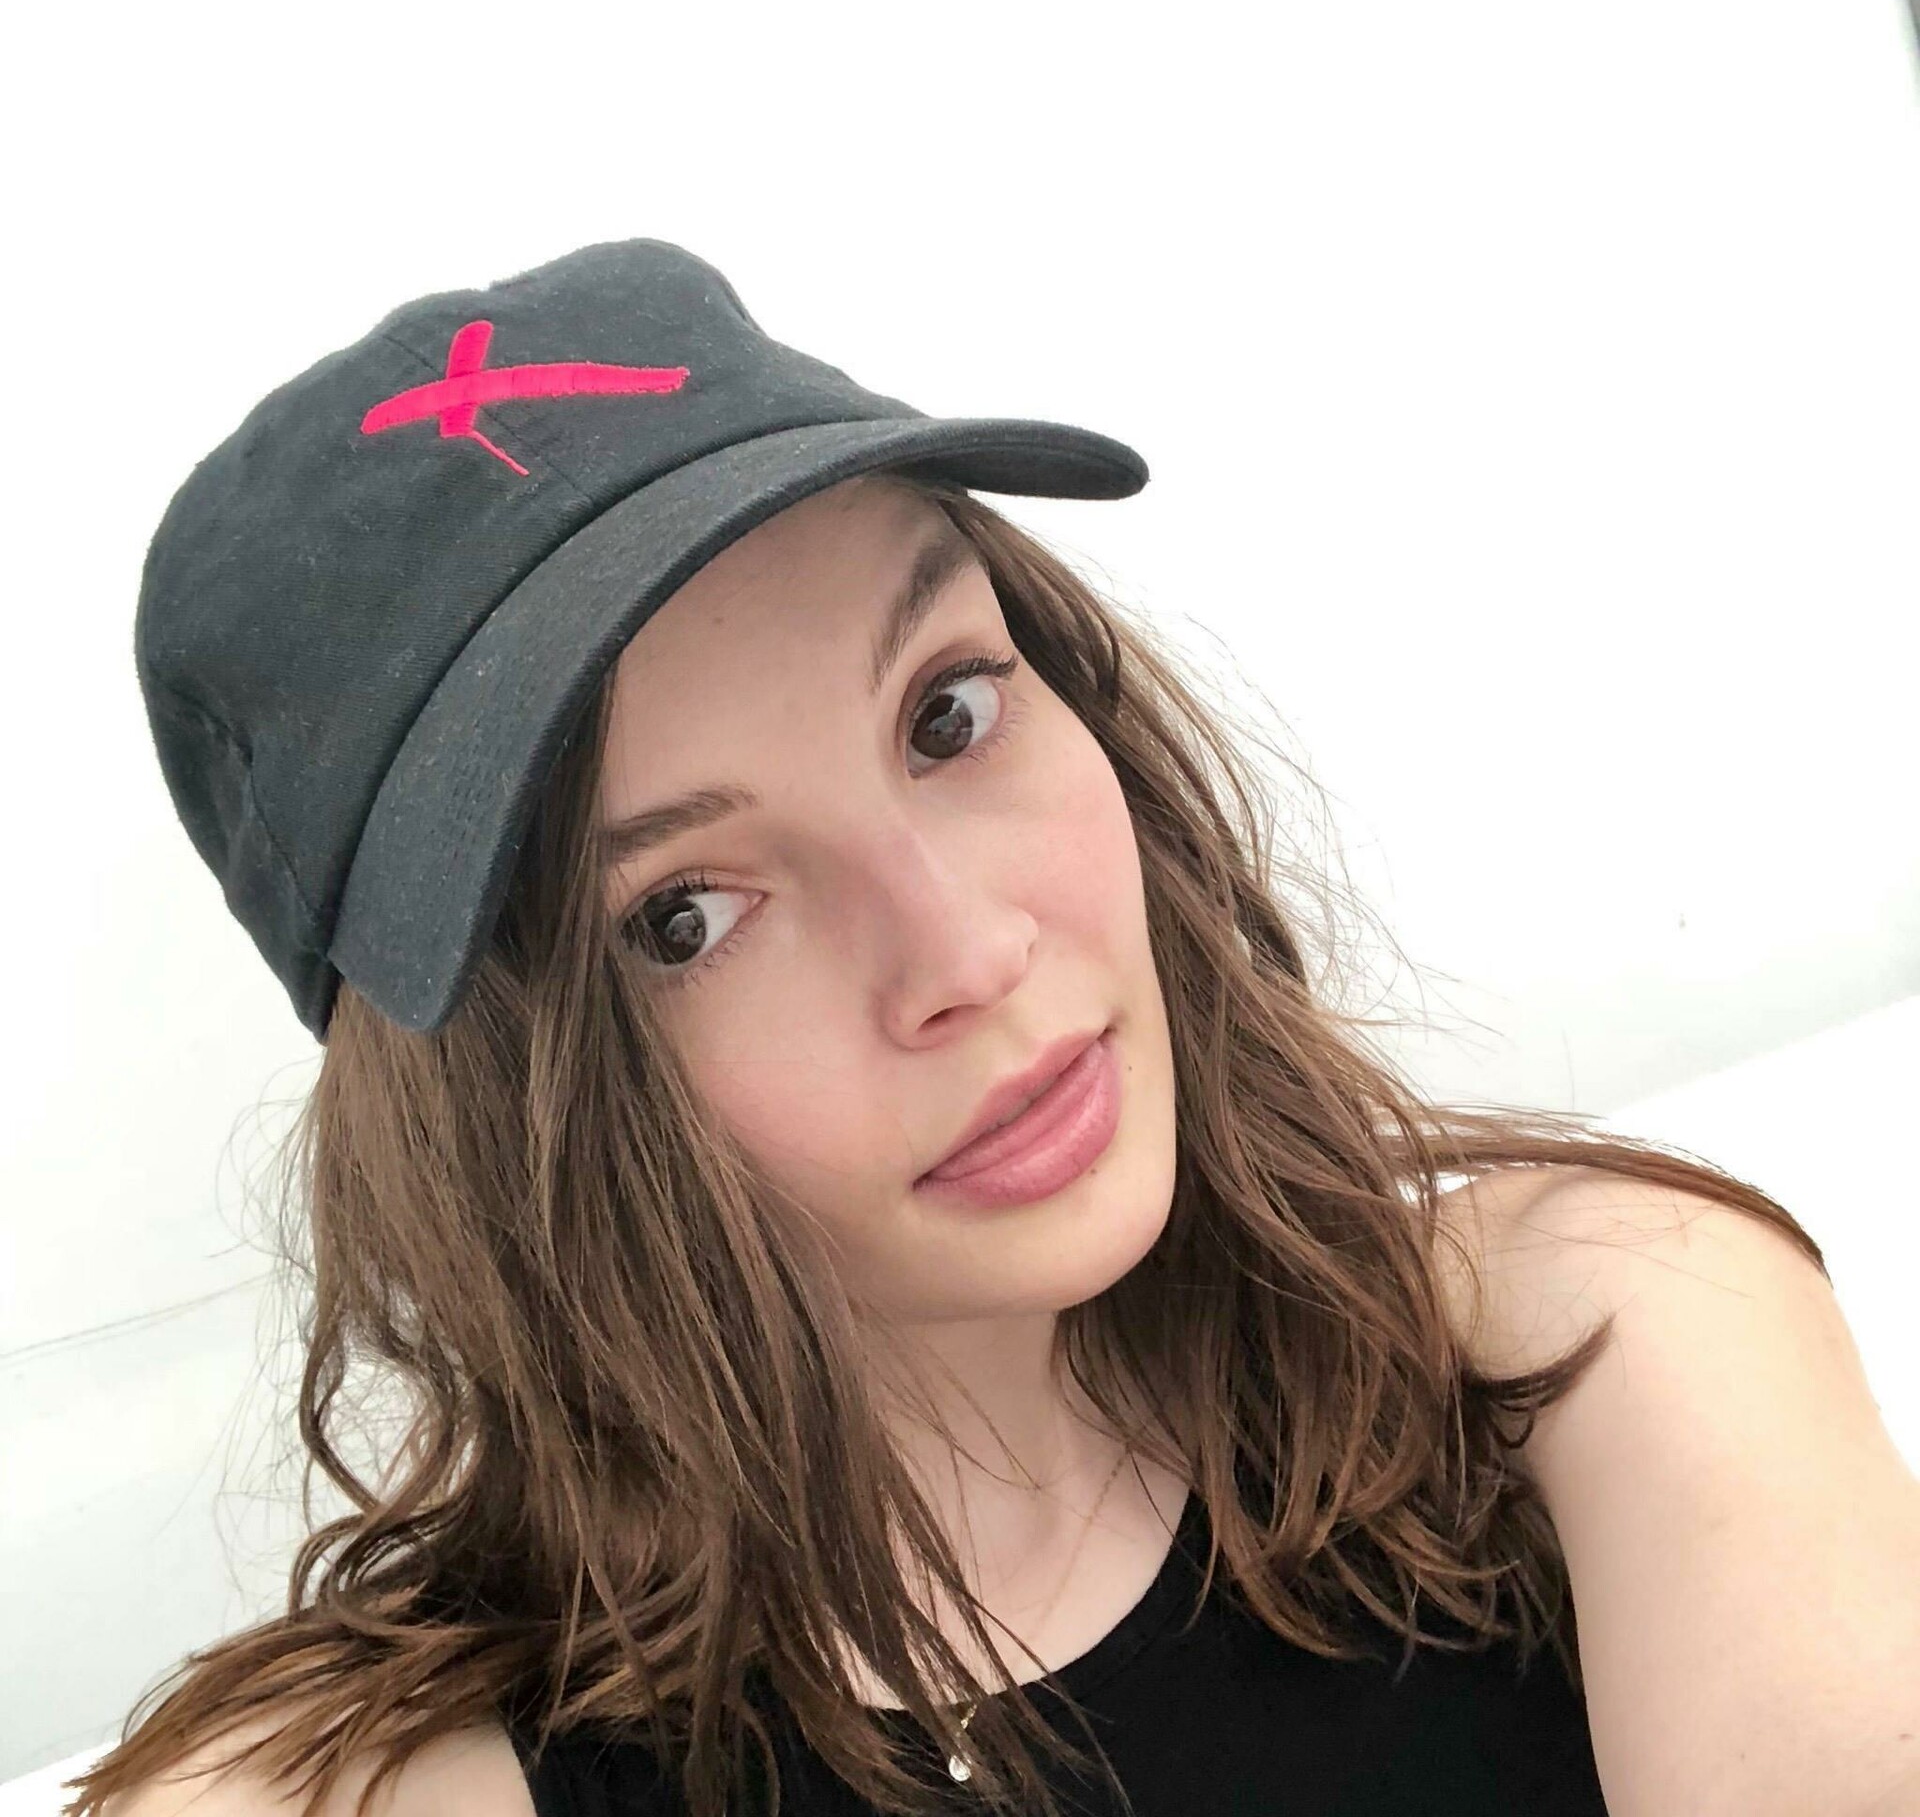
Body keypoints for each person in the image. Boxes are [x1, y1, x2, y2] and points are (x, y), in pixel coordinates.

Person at [76, 239, 1829, 1817]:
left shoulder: (1584, 1352)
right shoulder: (363, 1792)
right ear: (496, 1124)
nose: (970, 952)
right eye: (684, 917)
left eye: (948, 717)